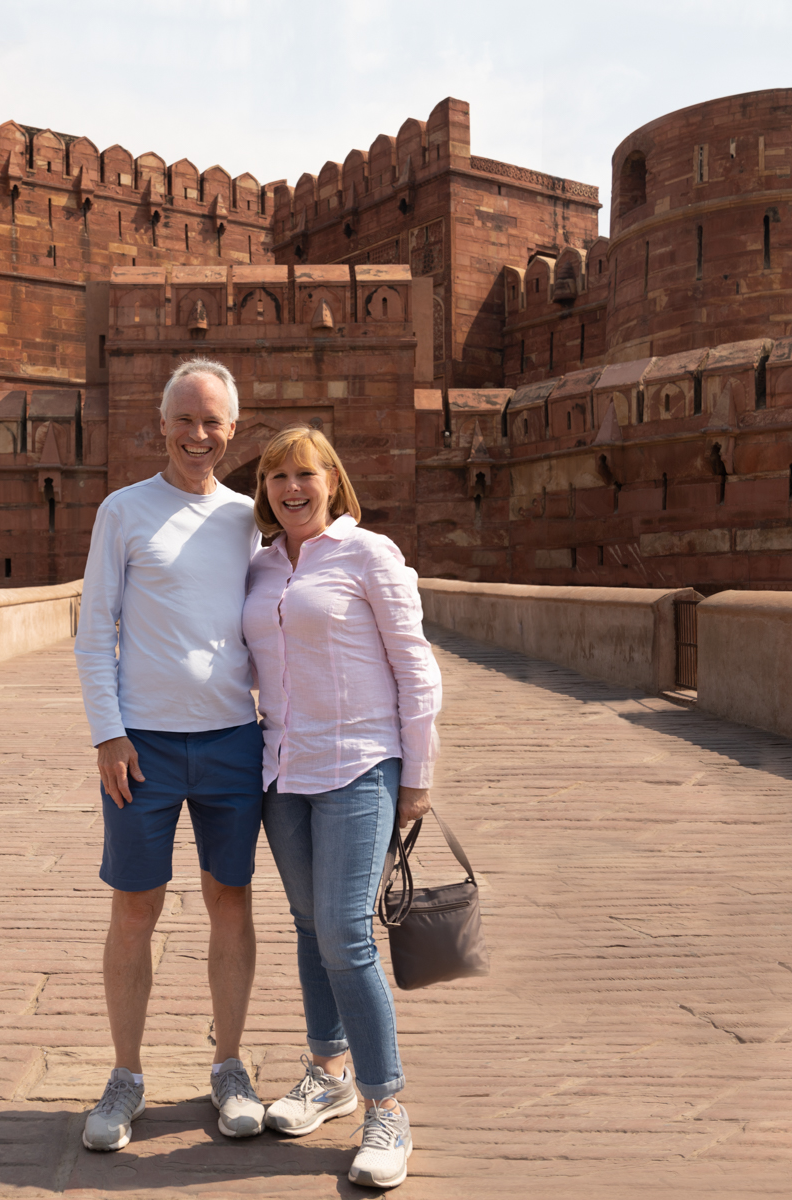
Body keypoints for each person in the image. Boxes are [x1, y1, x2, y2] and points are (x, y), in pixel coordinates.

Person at [72, 357, 268, 1152]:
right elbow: (94, 631)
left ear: (232, 429)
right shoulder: (124, 511)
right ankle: (126, 1075)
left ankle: (228, 1065)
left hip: (231, 739)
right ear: (161, 425)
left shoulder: (247, 519)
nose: (198, 434)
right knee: (135, 909)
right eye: (184, 419)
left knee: (231, 900)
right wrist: (106, 734)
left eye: (212, 420)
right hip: (143, 745)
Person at [242, 425, 442, 1189]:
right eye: (276, 477)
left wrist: (417, 776)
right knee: (307, 926)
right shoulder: (259, 567)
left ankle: (387, 1106)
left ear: (333, 480)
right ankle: (328, 1072)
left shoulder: (369, 555)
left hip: (360, 765)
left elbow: (415, 668)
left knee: (345, 935)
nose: (291, 489)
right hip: (282, 769)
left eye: (304, 475)